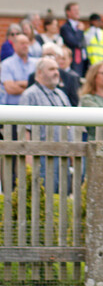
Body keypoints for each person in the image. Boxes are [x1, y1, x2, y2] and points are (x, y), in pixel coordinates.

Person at [20, 56, 74, 192]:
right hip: (42, 158)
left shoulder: (61, 95)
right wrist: (28, 161)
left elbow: (71, 126)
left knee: (63, 198)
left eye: (57, 69)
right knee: (44, 198)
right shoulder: (29, 95)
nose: (56, 72)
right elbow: (25, 130)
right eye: (51, 69)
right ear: (39, 73)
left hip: (64, 156)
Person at [27, 42, 79, 106]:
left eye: (50, 54)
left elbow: (74, 104)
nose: (47, 57)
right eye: (44, 55)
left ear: (58, 56)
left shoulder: (69, 78)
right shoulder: (33, 77)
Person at [0, 33, 36, 105]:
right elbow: (10, 88)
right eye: (22, 43)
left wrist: (18, 83)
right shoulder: (7, 64)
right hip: (13, 108)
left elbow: (41, 85)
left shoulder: (36, 63)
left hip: (33, 108)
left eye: (27, 43)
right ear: (14, 45)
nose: (25, 46)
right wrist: (31, 87)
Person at [60, 1, 88, 77]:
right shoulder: (65, 27)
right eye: (75, 10)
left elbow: (83, 44)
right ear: (68, 12)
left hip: (82, 60)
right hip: (73, 61)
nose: (77, 12)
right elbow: (75, 42)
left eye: (78, 10)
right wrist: (79, 31)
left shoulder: (79, 25)